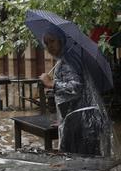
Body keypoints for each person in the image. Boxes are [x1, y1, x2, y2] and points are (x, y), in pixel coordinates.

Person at [39, 27, 111, 156]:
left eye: (52, 41)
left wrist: (51, 84)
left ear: (61, 40)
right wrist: (62, 119)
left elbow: (75, 87)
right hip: (81, 119)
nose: (49, 46)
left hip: (81, 123)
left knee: (79, 164)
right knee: (89, 162)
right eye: (46, 43)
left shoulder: (68, 61)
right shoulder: (67, 58)